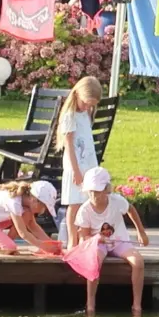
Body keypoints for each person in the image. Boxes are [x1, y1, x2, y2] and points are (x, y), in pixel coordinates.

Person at [74, 167, 149, 315]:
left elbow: (131, 210)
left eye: (98, 191)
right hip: (98, 244)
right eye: (91, 191)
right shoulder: (84, 210)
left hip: (119, 241)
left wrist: (141, 232)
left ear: (107, 189)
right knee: (94, 261)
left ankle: (137, 305)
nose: (94, 195)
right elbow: (83, 238)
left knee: (138, 262)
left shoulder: (117, 201)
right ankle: (90, 304)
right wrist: (97, 238)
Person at [56, 76, 103, 250]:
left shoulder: (87, 113)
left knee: (88, 201)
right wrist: (76, 170)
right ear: (77, 95)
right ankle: (72, 239)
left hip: (89, 164)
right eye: (86, 103)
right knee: (74, 203)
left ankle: (86, 236)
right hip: (75, 165)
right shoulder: (70, 115)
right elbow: (68, 145)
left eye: (91, 104)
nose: (88, 107)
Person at [0, 180, 61, 255]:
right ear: (35, 199)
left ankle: (5, 241)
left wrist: (51, 244)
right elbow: (23, 233)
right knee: (9, 248)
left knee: (26, 214)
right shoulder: (14, 202)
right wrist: (42, 245)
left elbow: (32, 225)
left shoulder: (25, 203)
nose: (42, 211)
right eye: (43, 207)